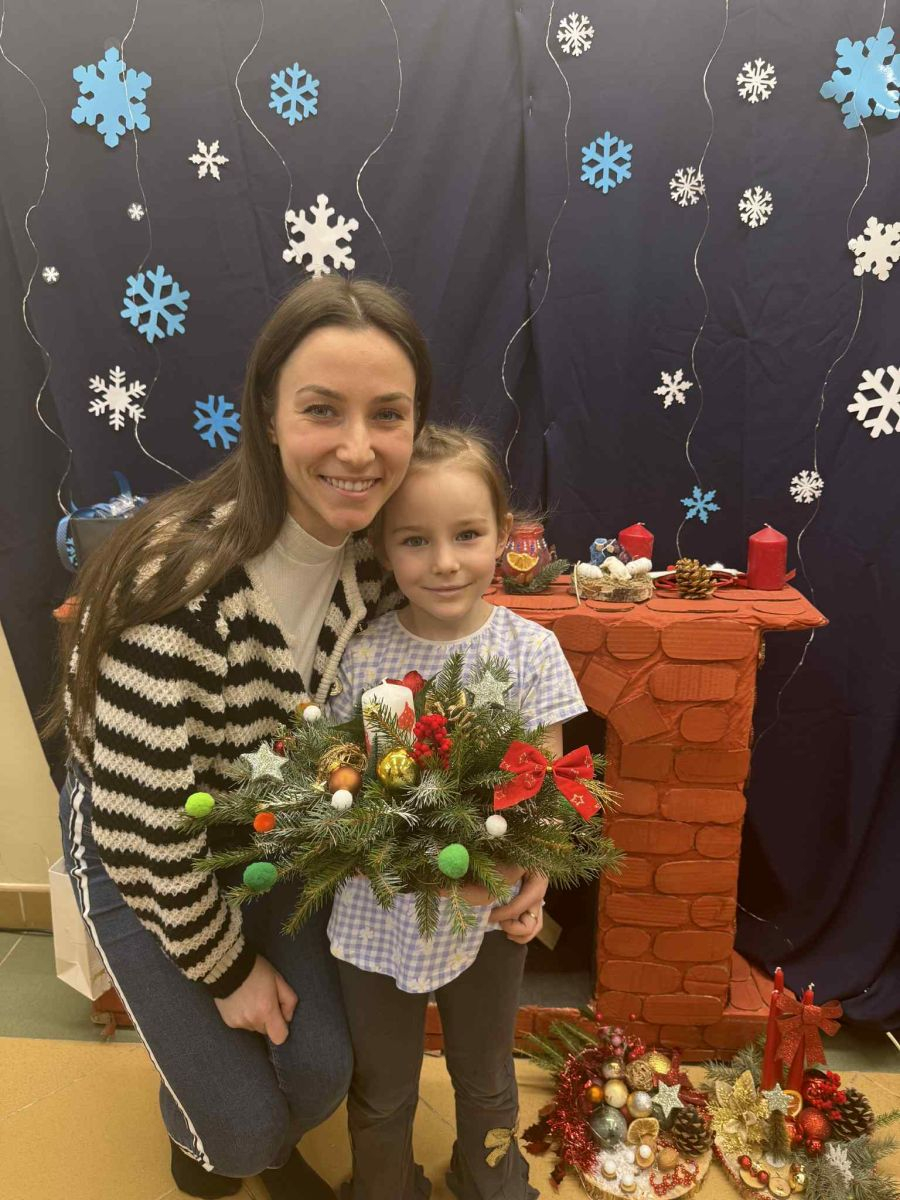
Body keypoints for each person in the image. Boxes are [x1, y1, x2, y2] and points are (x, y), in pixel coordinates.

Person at [49, 275, 549, 1199]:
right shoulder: (175, 582)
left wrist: (527, 856)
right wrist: (227, 970)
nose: (358, 449)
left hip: (272, 831)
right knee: (238, 1140)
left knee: (322, 1070)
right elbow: (141, 830)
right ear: (268, 415)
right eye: (323, 410)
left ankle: (238, 1111)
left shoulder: (383, 557)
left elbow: (468, 695)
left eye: (387, 414)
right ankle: (213, 1134)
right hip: (141, 845)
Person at [326, 424, 588, 1200]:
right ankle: (384, 1189)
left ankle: (491, 1183)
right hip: (377, 912)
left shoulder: (531, 651)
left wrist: (534, 878)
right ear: (383, 548)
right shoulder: (364, 655)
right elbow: (344, 784)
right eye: (415, 540)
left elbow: (549, 790)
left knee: (486, 1074)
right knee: (382, 1086)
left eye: (466, 535)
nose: (443, 562)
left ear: (503, 537)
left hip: (489, 912)